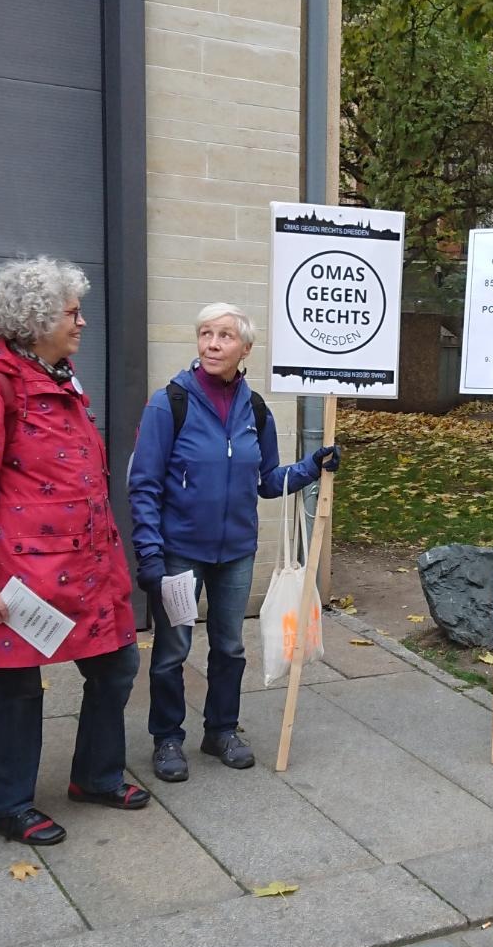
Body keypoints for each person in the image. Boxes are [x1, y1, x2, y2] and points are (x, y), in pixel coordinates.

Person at [0, 256, 145, 847]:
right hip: (18, 573)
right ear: (38, 317)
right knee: (15, 686)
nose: (81, 323)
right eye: (73, 313)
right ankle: (5, 803)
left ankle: (95, 777)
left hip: (87, 566)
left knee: (118, 664)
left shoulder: (56, 374)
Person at [128, 303, 340, 782]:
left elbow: (267, 480)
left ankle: (221, 730)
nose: (212, 344)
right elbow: (143, 484)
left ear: (245, 348)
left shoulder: (256, 408)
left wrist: (311, 467)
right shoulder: (170, 403)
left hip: (237, 553)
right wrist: (149, 553)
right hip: (181, 553)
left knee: (229, 647)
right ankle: (167, 739)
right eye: (205, 334)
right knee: (172, 649)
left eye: (225, 336)